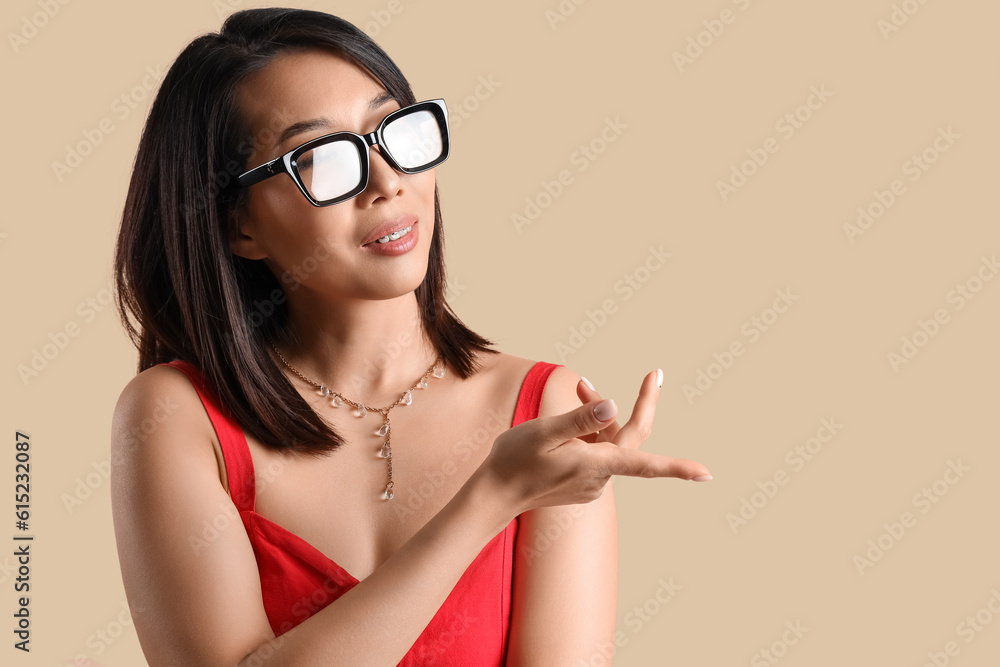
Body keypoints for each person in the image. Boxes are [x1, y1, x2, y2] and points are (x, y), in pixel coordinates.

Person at [109, 7, 712, 666]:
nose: (387, 181)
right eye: (323, 160)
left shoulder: (545, 409)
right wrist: (492, 498)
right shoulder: (175, 415)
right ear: (238, 226)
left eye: (392, 131)